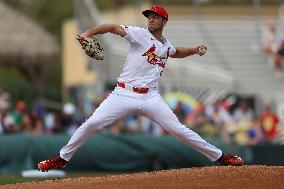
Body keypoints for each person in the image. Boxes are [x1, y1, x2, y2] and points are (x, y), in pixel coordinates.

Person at [38, 5, 244, 171]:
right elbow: (112, 27)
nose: (151, 19)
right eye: (149, 16)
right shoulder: (139, 34)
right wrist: (88, 32)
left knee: (178, 130)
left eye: (155, 17)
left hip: (150, 98)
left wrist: (195, 50)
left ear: (164, 21)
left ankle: (220, 157)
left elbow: (176, 51)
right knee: (92, 123)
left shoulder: (165, 45)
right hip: (123, 93)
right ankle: (62, 158)